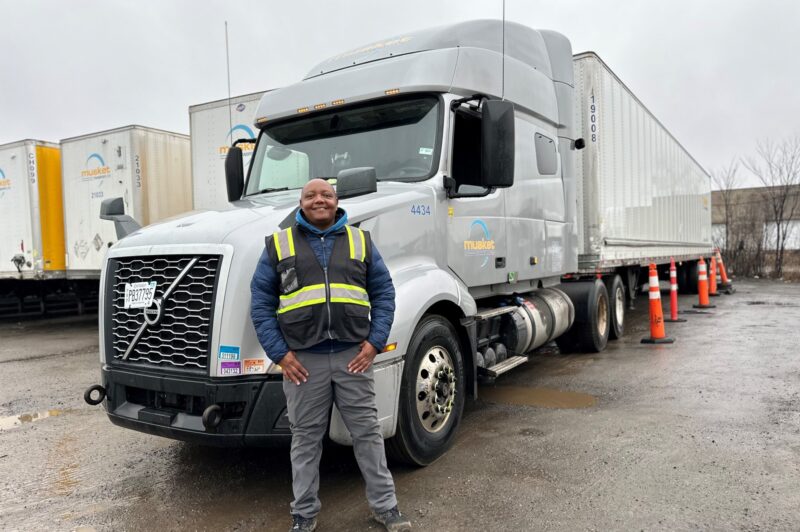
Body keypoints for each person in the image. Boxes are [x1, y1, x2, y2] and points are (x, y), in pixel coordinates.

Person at [251, 179, 412, 532]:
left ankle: (386, 508)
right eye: (311, 196)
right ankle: (304, 515)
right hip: (302, 363)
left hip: (352, 356)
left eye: (326, 195)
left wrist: (374, 342)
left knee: (368, 434)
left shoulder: (359, 241)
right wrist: (280, 353)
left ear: (336, 201)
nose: (319, 200)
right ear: (301, 203)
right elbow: (260, 304)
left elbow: (384, 292)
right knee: (305, 440)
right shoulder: (279, 245)